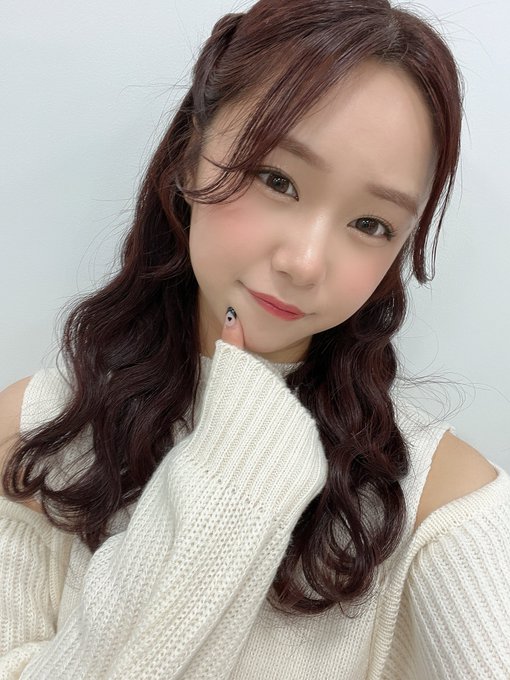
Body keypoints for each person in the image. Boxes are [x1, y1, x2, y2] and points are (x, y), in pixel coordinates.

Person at [0, 0, 509, 677]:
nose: (305, 262)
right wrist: (234, 466)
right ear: (189, 158)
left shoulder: (440, 499)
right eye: (278, 180)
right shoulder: (37, 435)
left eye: (371, 224)